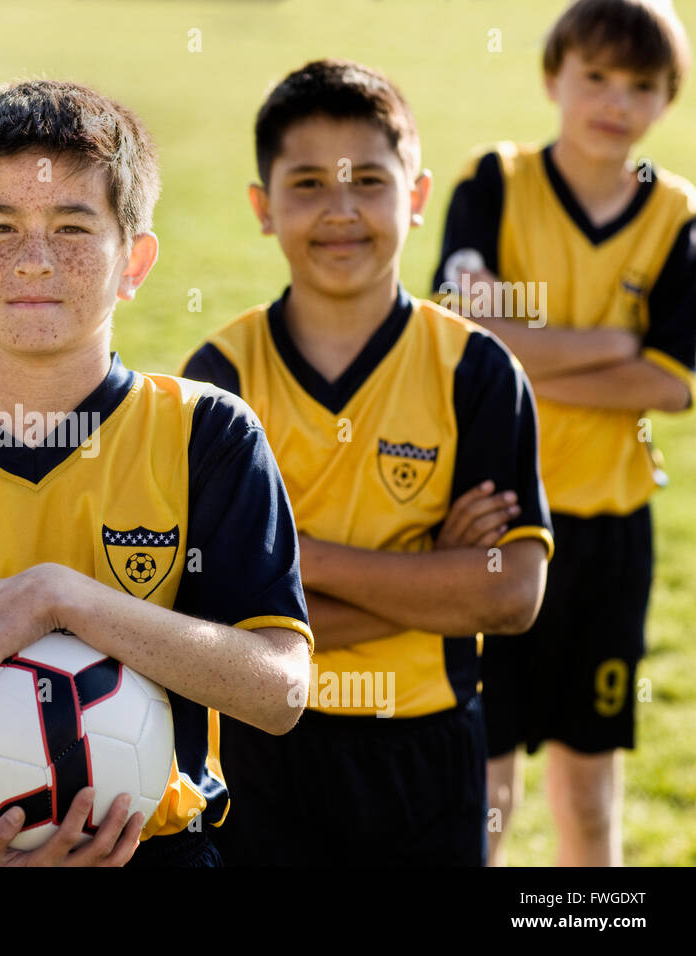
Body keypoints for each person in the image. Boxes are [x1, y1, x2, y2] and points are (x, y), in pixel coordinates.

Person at [0, 79, 314, 867]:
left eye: (74, 227)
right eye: (1, 227)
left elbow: (279, 691)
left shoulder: (205, 435)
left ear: (136, 261)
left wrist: (63, 598)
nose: (34, 261)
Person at [182, 59, 552, 866]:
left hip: (428, 749)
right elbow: (205, 627)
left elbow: (511, 593)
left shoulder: (477, 371)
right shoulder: (217, 383)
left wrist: (300, 564)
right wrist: (433, 579)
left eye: (371, 182)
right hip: (262, 747)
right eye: (308, 183)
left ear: (416, 198)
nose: (341, 212)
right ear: (262, 207)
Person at [432, 0, 695, 866]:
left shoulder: (676, 217)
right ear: (553, 77)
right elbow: (459, 331)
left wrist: (523, 354)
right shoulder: (494, 182)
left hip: (608, 534)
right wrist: (611, 344)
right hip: (492, 524)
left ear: (669, 100)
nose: (616, 101)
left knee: (589, 789)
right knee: (486, 780)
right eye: (596, 76)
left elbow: (670, 382)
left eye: (643, 86)